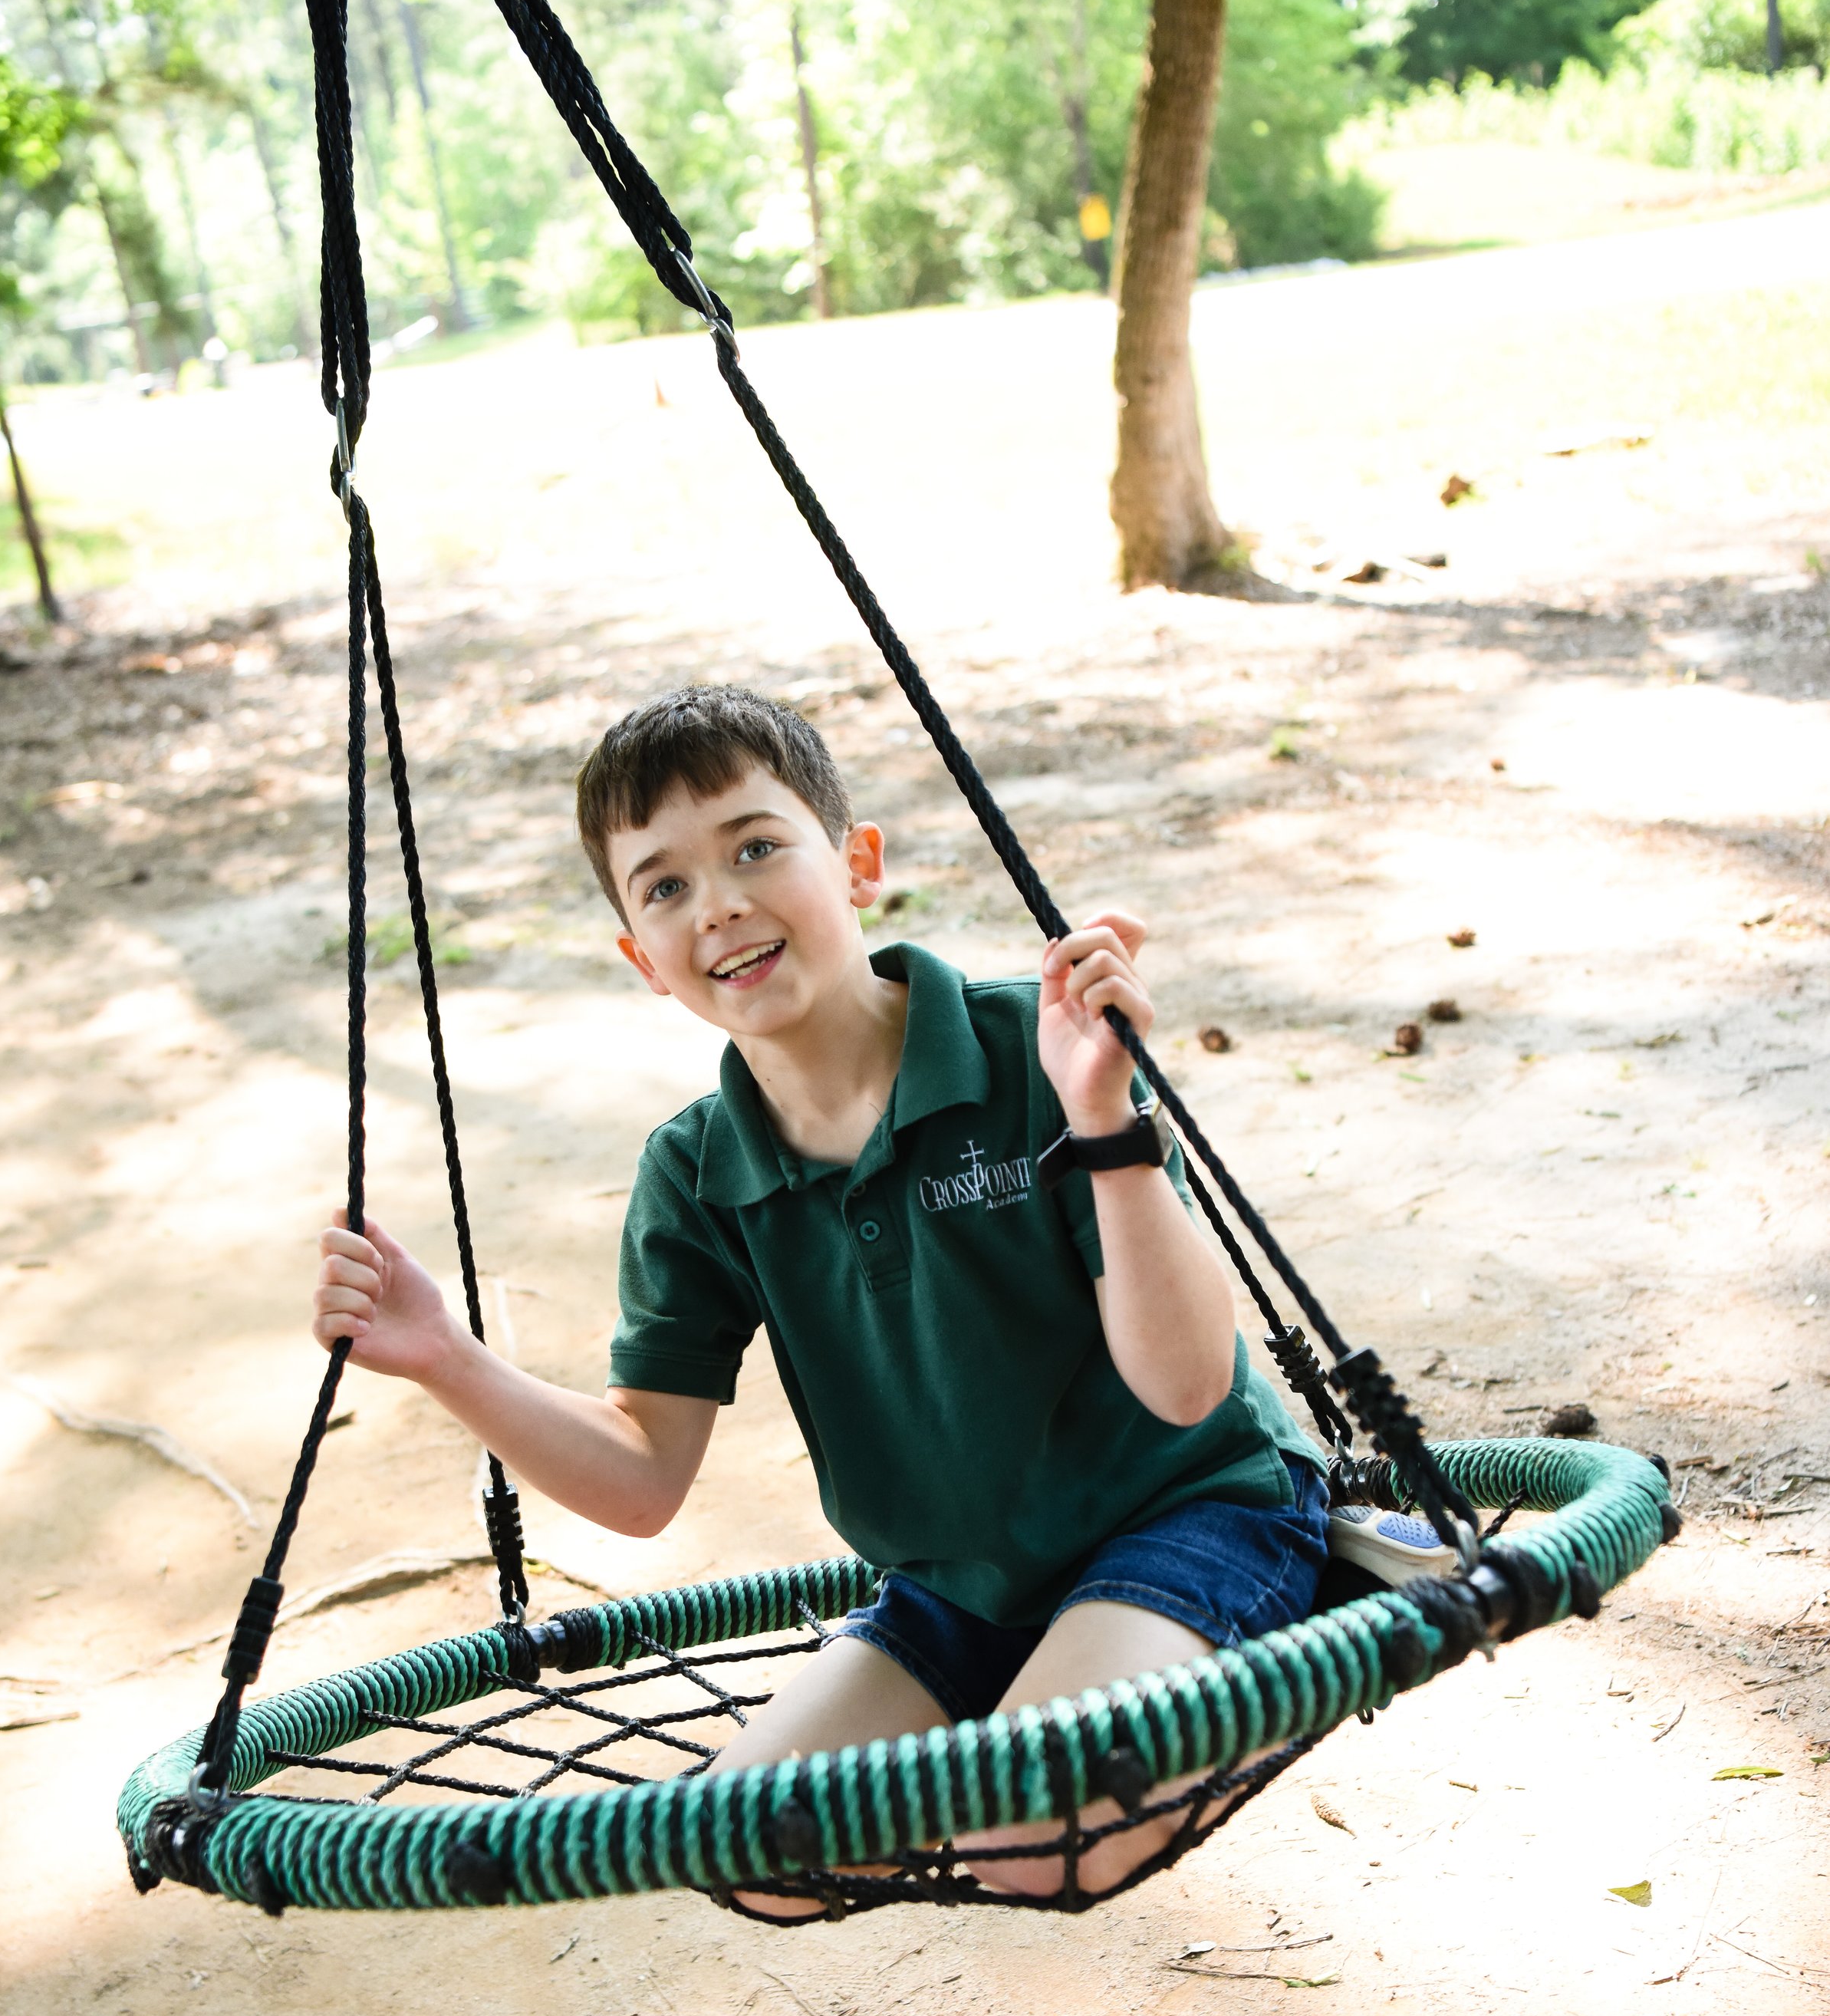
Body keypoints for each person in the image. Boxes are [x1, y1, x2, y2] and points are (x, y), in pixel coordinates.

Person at [311, 685, 1328, 1906]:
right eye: (666, 885)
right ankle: (1063, 1697)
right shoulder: (695, 1171)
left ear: (856, 865)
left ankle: (1275, 1655)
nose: (722, 903)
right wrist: (446, 1356)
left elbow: (1186, 1386)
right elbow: (642, 1478)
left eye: (754, 846)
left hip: (1189, 1513)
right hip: (962, 1585)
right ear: (643, 959)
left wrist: (1102, 1120)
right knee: (753, 1856)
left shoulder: (1031, 1046)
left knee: (1029, 1842)